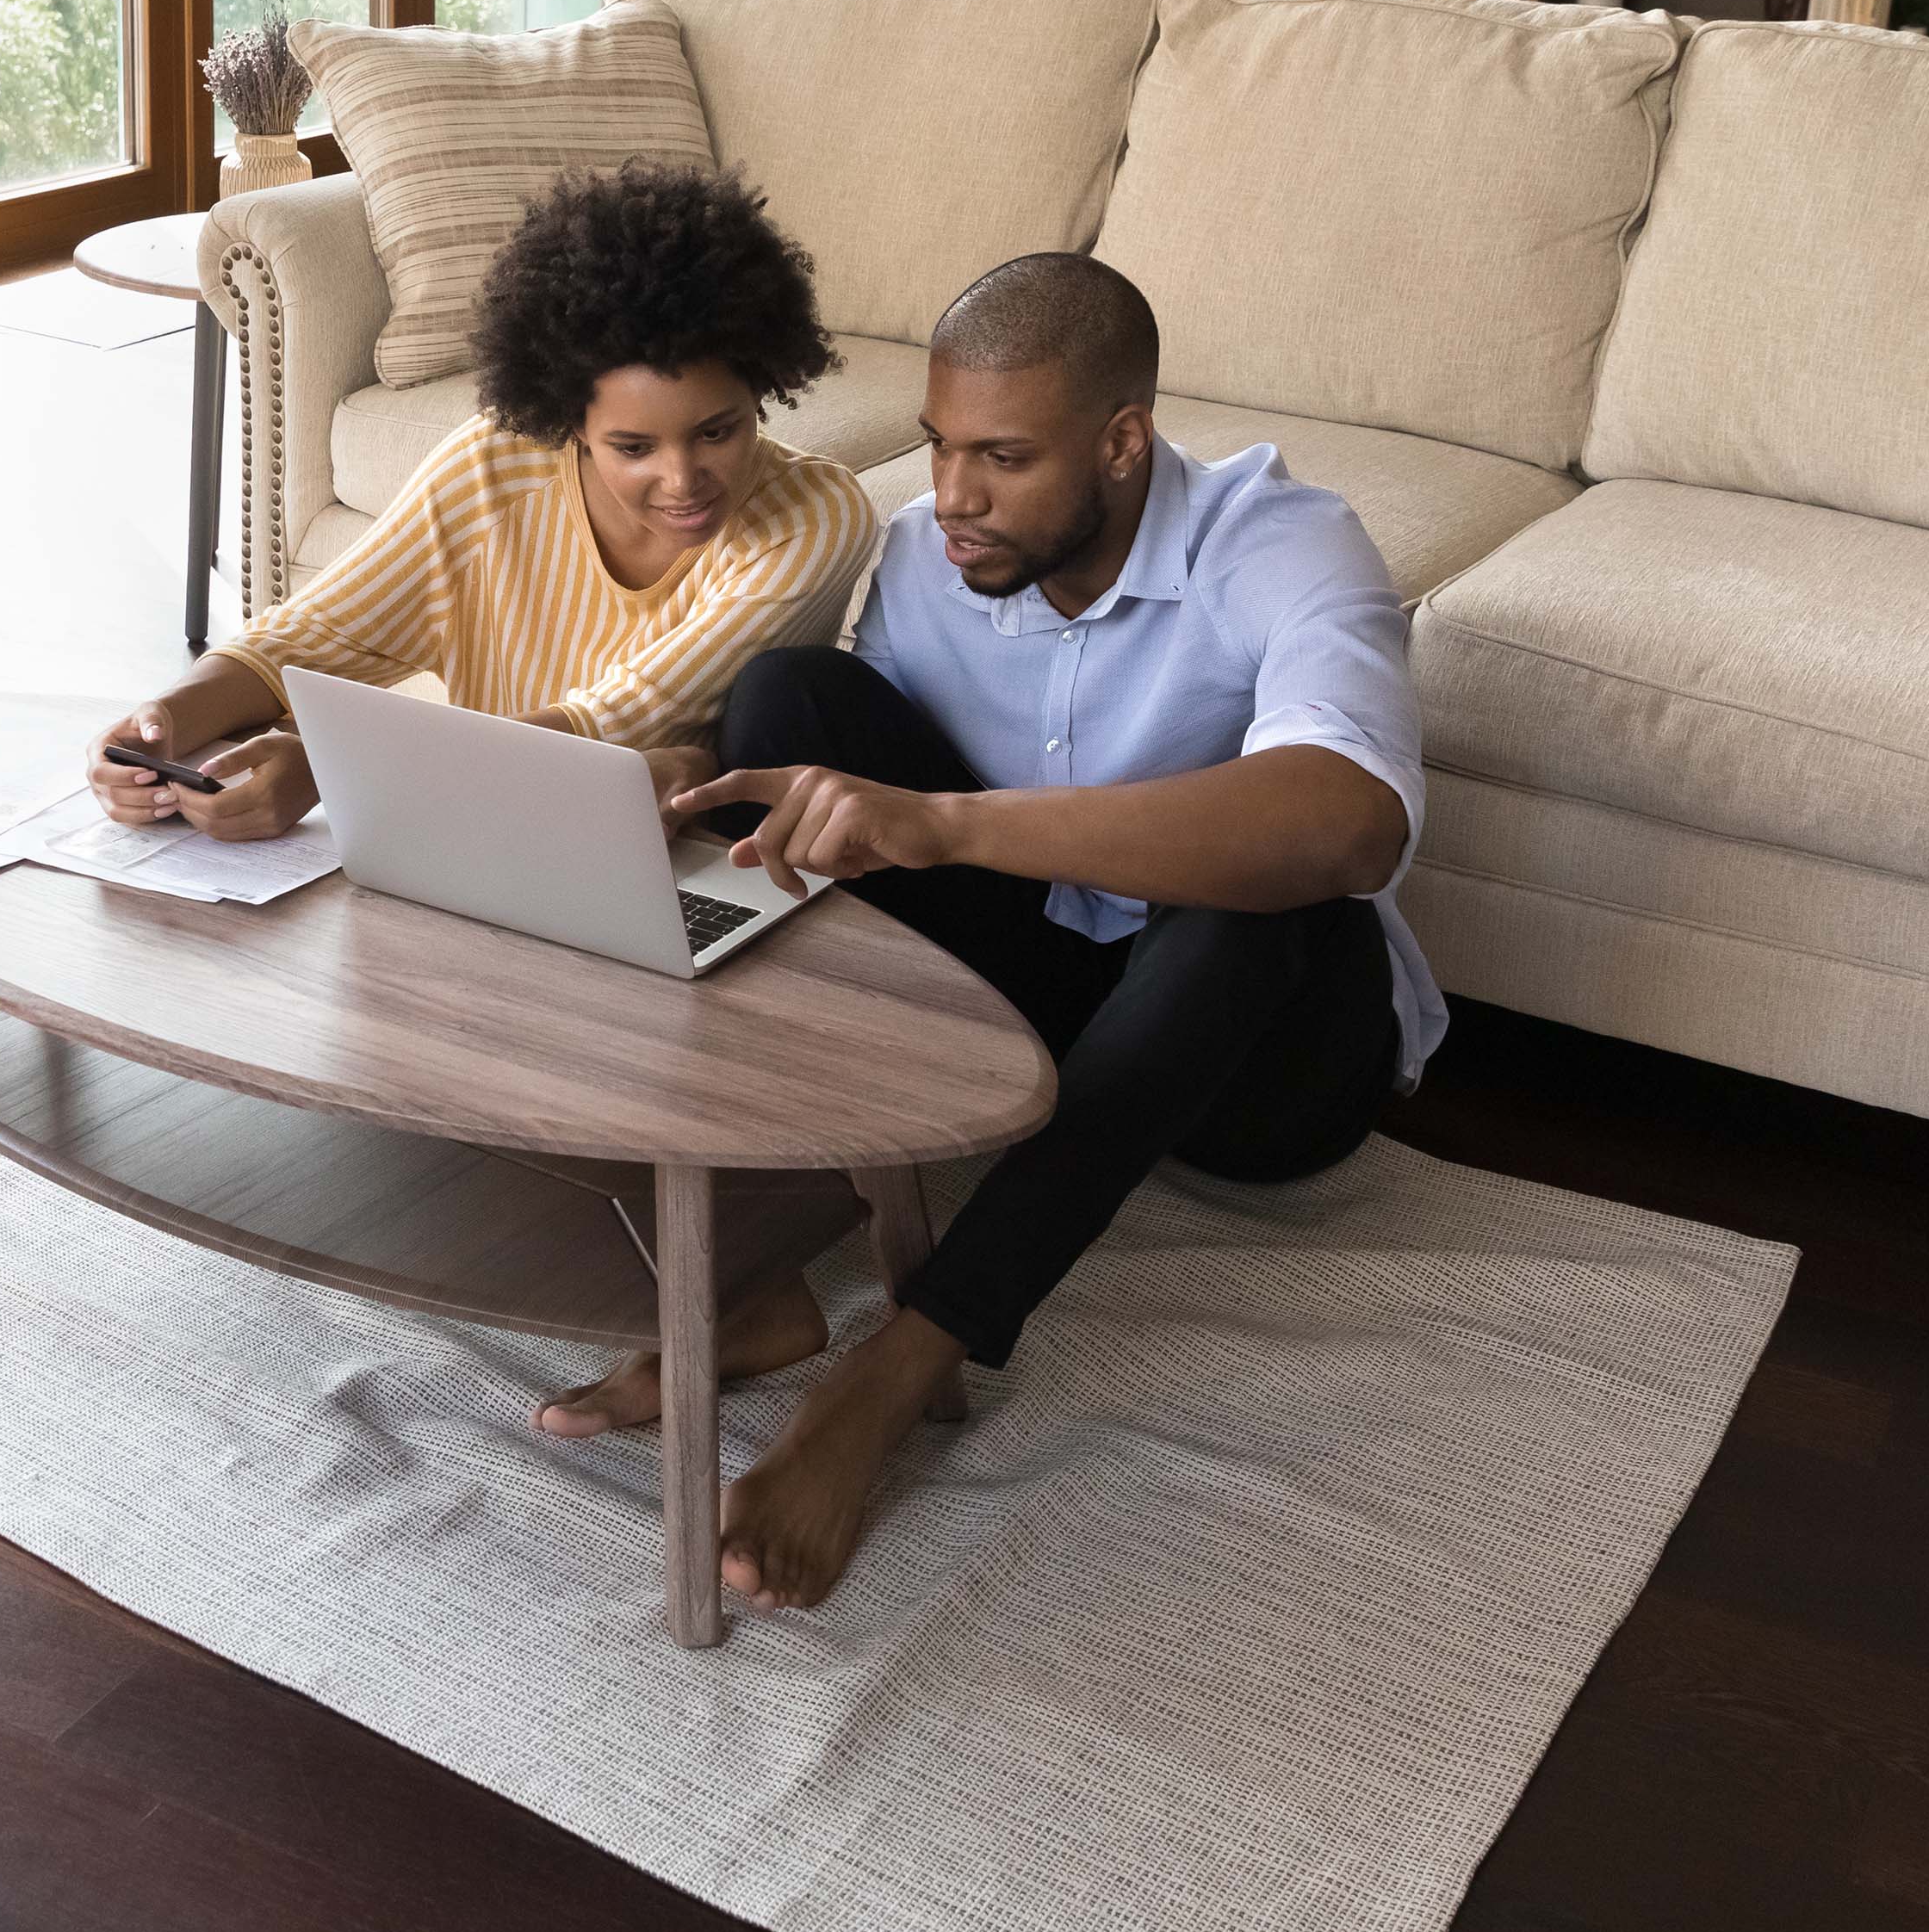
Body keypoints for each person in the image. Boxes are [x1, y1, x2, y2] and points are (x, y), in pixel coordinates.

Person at [553, 251, 1442, 1612]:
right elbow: (858, 800)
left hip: (1270, 1070)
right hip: (1044, 990)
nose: (950, 497)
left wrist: (949, 828)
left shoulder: (1278, 544)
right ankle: (763, 1260)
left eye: (1003, 459)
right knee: (791, 704)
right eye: (938, 449)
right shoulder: (932, 553)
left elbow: (1346, 827)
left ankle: (895, 1371)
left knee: (1242, 917)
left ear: (1124, 443)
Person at [88, 159, 877, 846]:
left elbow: (614, 720)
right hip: (462, 835)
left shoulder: (812, 519)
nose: (683, 479)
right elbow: (315, 634)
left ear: (764, 388)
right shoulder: (495, 466)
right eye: (632, 449)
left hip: (667, 865)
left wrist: (336, 770)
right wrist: (161, 721)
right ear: (571, 421)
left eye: (717, 431)